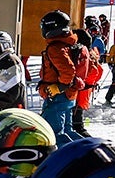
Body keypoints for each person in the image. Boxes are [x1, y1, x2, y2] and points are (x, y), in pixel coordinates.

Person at [35, 10, 88, 140]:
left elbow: (68, 71)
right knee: (67, 131)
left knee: (53, 134)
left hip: (58, 96)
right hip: (69, 95)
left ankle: (66, 157)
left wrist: (59, 87)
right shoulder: (68, 44)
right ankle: (81, 152)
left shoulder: (56, 48)